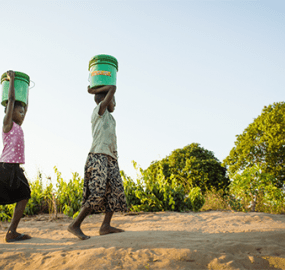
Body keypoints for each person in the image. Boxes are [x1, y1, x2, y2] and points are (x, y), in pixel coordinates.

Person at [68, 84, 128, 240]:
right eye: (112, 101)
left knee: (115, 190)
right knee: (97, 192)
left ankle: (105, 226)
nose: (114, 104)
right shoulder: (99, 112)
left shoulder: (111, 118)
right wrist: (94, 91)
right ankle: (75, 225)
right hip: (98, 157)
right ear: (105, 101)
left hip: (111, 158)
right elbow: (113, 87)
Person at [0, 70, 31, 242]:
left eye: (23, 112)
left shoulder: (19, 126)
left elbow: (26, 107)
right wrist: (12, 81)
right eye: (19, 112)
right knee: (24, 194)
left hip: (14, 168)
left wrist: (26, 94)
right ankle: (11, 231)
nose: (22, 113)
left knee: (24, 194)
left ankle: (12, 232)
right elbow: (11, 100)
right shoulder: (7, 124)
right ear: (9, 112)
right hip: (6, 168)